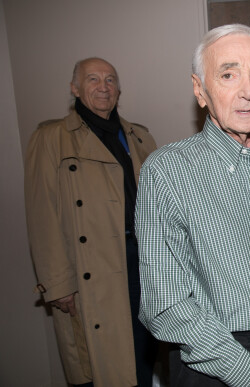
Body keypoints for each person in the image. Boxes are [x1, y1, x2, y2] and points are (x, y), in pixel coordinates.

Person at [135, 24, 250, 387]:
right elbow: (165, 305)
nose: (248, 91)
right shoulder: (167, 172)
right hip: (212, 362)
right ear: (200, 90)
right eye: (228, 74)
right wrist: (249, 371)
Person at [24, 57, 158, 387]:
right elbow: (42, 216)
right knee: (101, 366)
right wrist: (57, 283)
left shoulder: (140, 137)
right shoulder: (52, 138)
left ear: (119, 90)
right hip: (91, 268)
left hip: (142, 261)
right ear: (74, 88)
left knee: (142, 356)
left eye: (110, 80)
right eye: (93, 79)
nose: (103, 87)